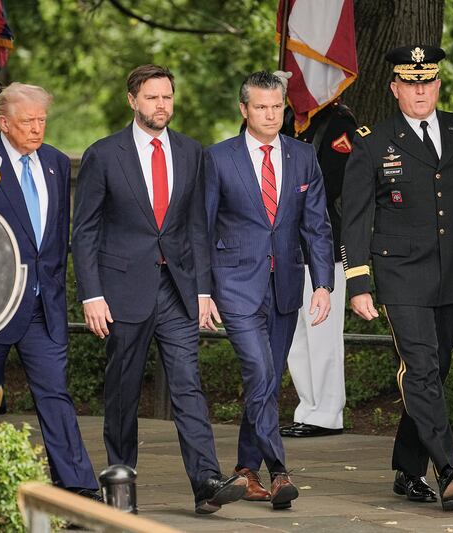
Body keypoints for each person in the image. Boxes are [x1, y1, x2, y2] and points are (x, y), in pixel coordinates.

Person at [340, 45, 453, 512]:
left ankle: (406, 467)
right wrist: (358, 281)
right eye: (410, 83)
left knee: (433, 373)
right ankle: (447, 469)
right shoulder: (374, 141)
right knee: (419, 370)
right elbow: (355, 218)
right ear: (395, 88)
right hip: (400, 274)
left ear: (437, 85)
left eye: (427, 82)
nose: (420, 91)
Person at [71, 64, 246, 514]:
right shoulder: (104, 154)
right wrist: (91, 294)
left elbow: (196, 228)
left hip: (178, 289)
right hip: (122, 291)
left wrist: (203, 290)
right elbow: (85, 231)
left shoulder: (191, 152)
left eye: (167, 97)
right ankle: (121, 485)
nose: (161, 105)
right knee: (124, 391)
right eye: (152, 98)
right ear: (132, 100)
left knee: (188, 384)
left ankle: (205, 479)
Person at [204, 71, 334, 510]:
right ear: (244, 110)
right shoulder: (218, 158)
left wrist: (323, 284)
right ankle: (278, 471)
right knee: (259, 374)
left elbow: (316, 226)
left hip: (286, 286)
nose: (271, 114)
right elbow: (201, 229)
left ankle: (245, 469)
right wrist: (204, 293)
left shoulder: (303, 156)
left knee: (267, 380)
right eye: (261, 107)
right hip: (235, 285)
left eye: (277, 106)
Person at [0, 82, 101, 501]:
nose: (37, 128)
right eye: (28, 121)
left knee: (55, 393)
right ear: (3, 123)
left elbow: (60, 238)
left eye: (42, 120)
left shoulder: (57, 163)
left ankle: (77, 487)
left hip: (45, 306)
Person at [281, 97, 355, 439]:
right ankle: (308, 408)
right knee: (296, 335)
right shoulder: (284, 119)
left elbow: (333, 183)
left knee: (322, 333)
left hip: (321, 244)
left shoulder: (338, 122)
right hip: (286, 245)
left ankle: (328, 412)